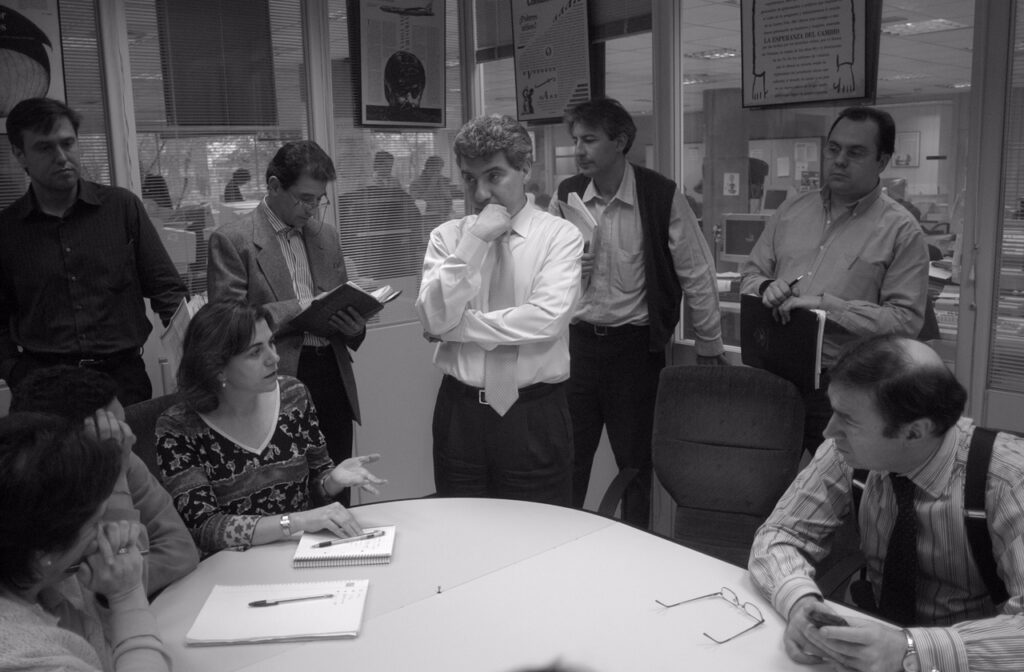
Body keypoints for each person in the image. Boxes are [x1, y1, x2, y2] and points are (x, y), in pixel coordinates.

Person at [749, 335, 1024, 672]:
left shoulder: (1009, 479)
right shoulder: (847, 452)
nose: (829, 431)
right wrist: (800, 601)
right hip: (871, 636)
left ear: (914, 432)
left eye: (848, 420)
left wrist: (909, 648)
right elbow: (779, 535)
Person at [554, 97, 726, 527]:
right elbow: (545, 268)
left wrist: (709, 343)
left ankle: (635, 547)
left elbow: (696, 272)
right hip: (577, 347)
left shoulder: (659, 195)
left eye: (590, 140)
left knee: (634, 466)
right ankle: (559, 540)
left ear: (620, 141)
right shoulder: (567, 193)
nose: (578, 150)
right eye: (576, 140)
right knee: (568, 458)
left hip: (633, 352)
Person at [740, 106, 930, 456]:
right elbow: (750, 276)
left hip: (846, 388)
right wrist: (767, 287)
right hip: (775, 377)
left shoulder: (901, 230)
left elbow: (905, 322)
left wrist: (826, 306)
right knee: (762, 479)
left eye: (855, 152)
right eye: (833, 148)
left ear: (882, 161)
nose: (839, 160)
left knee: (839, 484)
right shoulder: (791, 212)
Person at [416, 114, 583, 504]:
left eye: (494, 176)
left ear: (525, 168)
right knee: (462, 526)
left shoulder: (559, 236)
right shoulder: (448, 238)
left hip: (533, 413)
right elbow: (434, 317)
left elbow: (545, 320)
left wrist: (457, 329)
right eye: (469, 178)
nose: (480, 194)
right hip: (461, 414)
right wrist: (474, 241)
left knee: (539, 528)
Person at [155, 300, 385, 557]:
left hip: (299, 553)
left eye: (272, 343)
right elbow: (205, 528)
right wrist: (294, 522)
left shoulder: (292, 394)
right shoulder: (178, 427)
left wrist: (331, 481)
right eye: (255, 352)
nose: (274, 357)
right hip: (233, 565)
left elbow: (315, 484)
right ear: (216, 366)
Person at [0, 97, 187, 406]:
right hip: (44, 387)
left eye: (68, 143)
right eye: (45, 148)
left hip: (122, 381)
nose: (62, 157)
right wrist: (15, 371)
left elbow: (167, 291)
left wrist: (195, 355)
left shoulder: (121, 208)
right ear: (20, 155)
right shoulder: (7, 230)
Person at [208, 140, 365, 477]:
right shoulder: (233, 240)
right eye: (305, 198)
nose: (312, 209)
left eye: (319, 199)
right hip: (273, 376)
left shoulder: (327, 236)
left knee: (338, 478)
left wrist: (355, 327)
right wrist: (302, 307)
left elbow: (341, 300)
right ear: (275, 186)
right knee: (288, 482)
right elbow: (228, 323)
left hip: (332, 375)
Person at [0, 412, 170, 671]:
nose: (108, 531)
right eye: (96, 523)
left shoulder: (45, 573)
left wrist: (108, 596)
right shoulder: (28, 659)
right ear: (43, 553)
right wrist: (127, 598)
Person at [11, 365, 199, 597]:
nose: (129, 438)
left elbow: (181, 550)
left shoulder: (122, 454)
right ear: (67, 442)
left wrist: (111, 587)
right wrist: (116, 482)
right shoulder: (29, 493)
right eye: (113, 429)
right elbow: (103, 592)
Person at [337, 150, 423, 276]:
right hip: (374, 225)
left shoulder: (394, 181)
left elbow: (400, 200)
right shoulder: (368, 181)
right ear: (377, 165)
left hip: (391, 224)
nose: (388, 169)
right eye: (385, 165)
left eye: (390, 166)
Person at [410, 154, 454, 225]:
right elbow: (418, 204)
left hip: (444, 218)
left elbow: (449, 201)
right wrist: (432, 185)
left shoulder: (443, 180)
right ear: (426, 168)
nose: (435, 174)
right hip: (426, 221)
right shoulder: (416, 183)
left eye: (438, 171)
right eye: (433, 170)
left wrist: (443, 186)